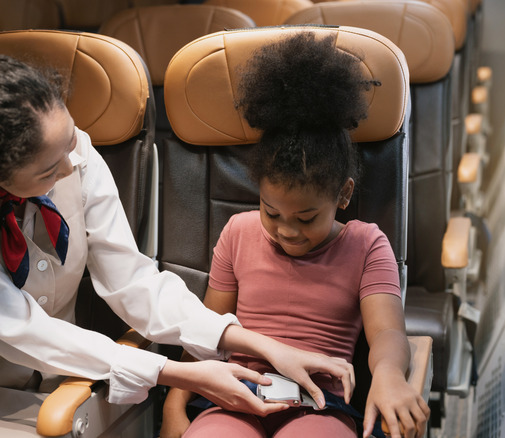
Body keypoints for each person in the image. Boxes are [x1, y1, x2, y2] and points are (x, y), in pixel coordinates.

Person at [0, 54, 357, 437]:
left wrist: (256, 344)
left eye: (70, 145)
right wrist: (180, 376)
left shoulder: (72, 149)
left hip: (63, 385)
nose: (70, 167)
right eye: (47, 170)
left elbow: (133, 282)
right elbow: (14, 326)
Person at [159, 33, 430, 438]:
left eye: (306, 218)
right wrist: (175, 401)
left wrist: (389, 374)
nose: (287, 230)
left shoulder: (366, 244)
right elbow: (209, 330)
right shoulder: (238, 232)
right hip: (237, 392)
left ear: (344, 194)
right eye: (271, 212)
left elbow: (388, 332)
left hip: (318, 404)